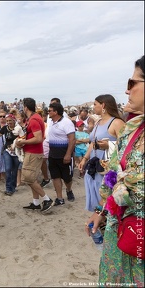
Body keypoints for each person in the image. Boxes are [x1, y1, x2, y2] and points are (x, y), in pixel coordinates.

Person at [85, 55, 144, 286]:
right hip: (120, 232)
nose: (127, 91)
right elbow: (113, 173)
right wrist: (101, 210)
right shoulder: (132, 129)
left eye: (133, 83)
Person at [78, 94, 125, 212]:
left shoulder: (117, 122)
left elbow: (126, 145)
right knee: (95, 198)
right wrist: (84, 159)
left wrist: (108, 145)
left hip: (107, 167)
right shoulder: (98, 122)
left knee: (105, 198)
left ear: (103, 105)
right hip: (94, 165)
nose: (93, 107)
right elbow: (93, 143)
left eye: (95, 104)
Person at [15, 98, 54, 213]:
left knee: (28, 178)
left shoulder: (34, 120)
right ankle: (36, 202)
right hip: (33, 152)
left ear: (26, 107)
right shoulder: (34, 118)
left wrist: (23, 142)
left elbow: (38, 138)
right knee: (32, 178)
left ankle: (46, 199)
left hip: (34, 152)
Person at [47, 102, 76, 205]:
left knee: (67, 178)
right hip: (52, 155)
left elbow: (72, 140)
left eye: (50, 110)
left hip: (64, 155)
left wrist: (68, 154)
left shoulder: (67, 122)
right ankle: (59, 198)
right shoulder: (51, 122)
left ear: (56, 112)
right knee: (55, 176)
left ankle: (69, 190)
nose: (48, 112)